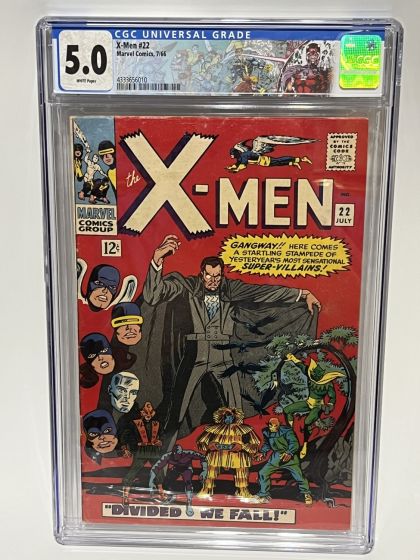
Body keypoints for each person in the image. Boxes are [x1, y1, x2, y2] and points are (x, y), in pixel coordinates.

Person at [142, 234, 321, 445]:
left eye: (217, 276)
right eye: (209, 276)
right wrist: (157, 259)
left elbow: (262, 293)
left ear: (222, 275)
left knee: (236, 409)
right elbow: (153, 295)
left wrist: (302, 294)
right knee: (178, 407)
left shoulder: (230, 288)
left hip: (223, 355)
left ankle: (243, 450)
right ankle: (164, 453)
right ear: (202, 274)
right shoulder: (187, 286)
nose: (213, 280)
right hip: (195, 353)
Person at [196, 407, 260, 499]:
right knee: (210, 471)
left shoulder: (245, 429)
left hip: (237, 455)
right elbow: (201, 441)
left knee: (241, 471)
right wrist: (210, 445)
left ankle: (243, 491)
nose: (228, 419)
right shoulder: (213, 429)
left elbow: (254, 444)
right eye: (226, 417)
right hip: (217, 454)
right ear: (222, 417)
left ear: (235, 417)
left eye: (230, 417)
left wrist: (242, 446)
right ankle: (206, 489)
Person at [254, 416, 312, 505]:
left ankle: (306, 494)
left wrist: (289, 453)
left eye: (275, 426)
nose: (272, 428)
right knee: (263, 473)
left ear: (279, 425)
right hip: (276, 458)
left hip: (290, 459)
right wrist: (262, 452)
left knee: (299, 476)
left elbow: (294, 443)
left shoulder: (287, 431)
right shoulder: (266, 432)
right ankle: (264, 494)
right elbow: (267, 444)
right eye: (270, 426)